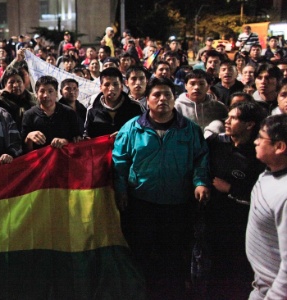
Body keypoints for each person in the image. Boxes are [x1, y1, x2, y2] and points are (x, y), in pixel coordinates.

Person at [112, 78, 210, 298]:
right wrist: (121, 191)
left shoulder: (189, 130)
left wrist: (200, 182)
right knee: (142, 254)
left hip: (177, 203)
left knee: (174, 256)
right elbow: (119, 162)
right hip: (141, 202)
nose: (162, 99)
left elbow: (200, 159)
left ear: (175, 99)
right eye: (156, 95)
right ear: (147, 100)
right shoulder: (132, 128)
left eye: (167, 94)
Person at [205, 101, 267, 299]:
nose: (227, 121)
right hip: (212, 220)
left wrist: (232, 189)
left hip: (243, 226)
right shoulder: (215, 143)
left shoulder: (259, 155)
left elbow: (263, 195)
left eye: (233, 118)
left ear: (249, 124)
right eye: (227, 116)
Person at [246, 114, 287, 300]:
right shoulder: (270, 172)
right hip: (261, 285)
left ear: (279, 147)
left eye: (261, 138)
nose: (255, 142)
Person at [22, 76, 81, 151]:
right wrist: (29, 137)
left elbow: (77, 141)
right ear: (36, 94)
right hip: (40, 161)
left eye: (50, 91)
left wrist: (65, 142)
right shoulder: (29, 115)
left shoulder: (69, 113)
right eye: (42, 91)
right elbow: (24, 149)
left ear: (56, 93)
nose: (46, 95)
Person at [84, 68, 143, 138]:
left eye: (115, 84)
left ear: (121, 86)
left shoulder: (135, 107)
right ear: (101, 87)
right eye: (107, 85)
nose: (111, 88)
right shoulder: (92, 110)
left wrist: (125, 135)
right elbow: (87, 135)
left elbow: (144, 132)